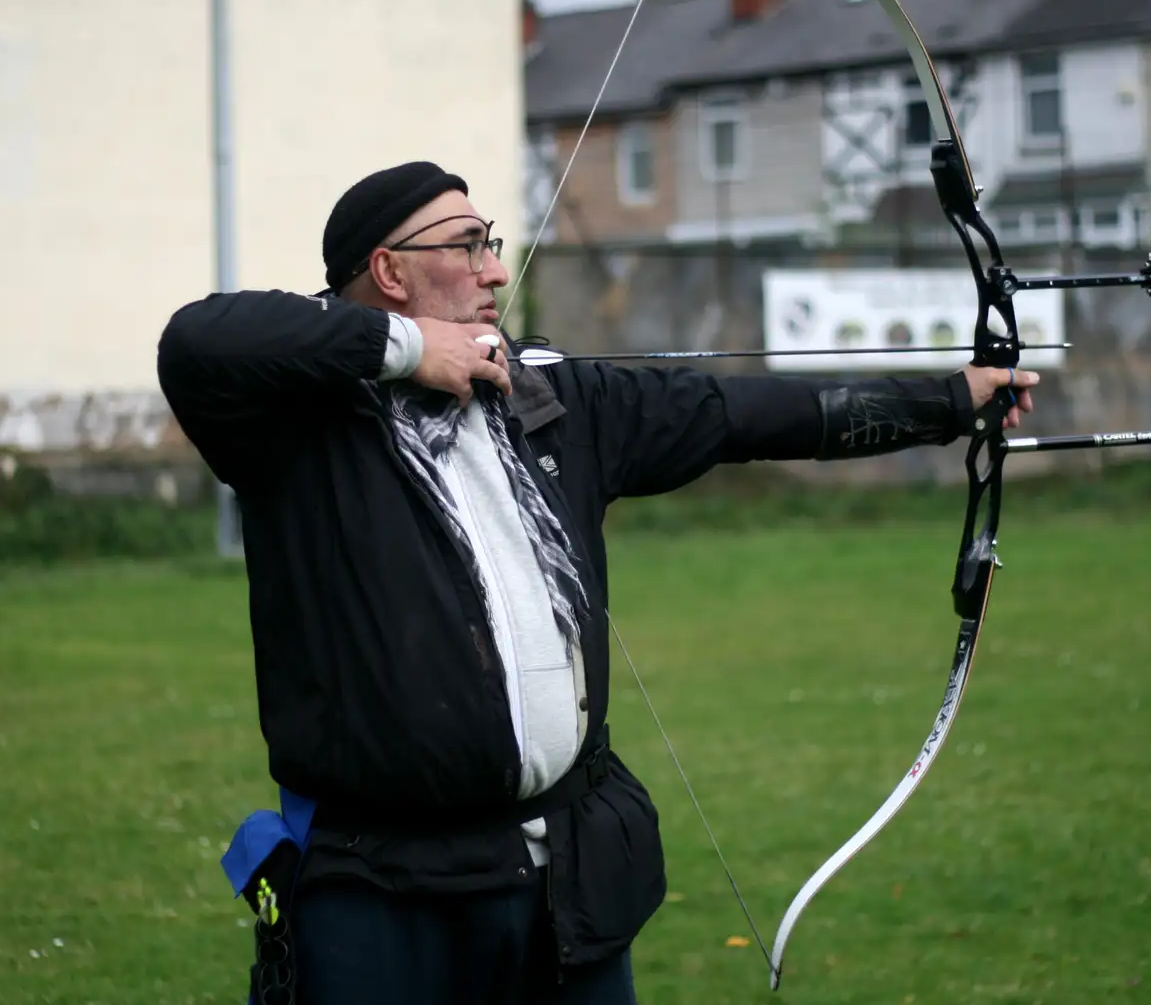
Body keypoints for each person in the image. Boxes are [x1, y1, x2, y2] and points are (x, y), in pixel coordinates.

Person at [155, 161, 1039, 1005]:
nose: (494, 268)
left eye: (491, 241)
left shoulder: (554, 404)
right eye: (466, 244)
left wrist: (952, 400)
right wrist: (412, 350)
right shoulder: (297, 430)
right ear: (388, 270)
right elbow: (198, 339)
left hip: (560, 884)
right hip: (379, 888)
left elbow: (745, 417)